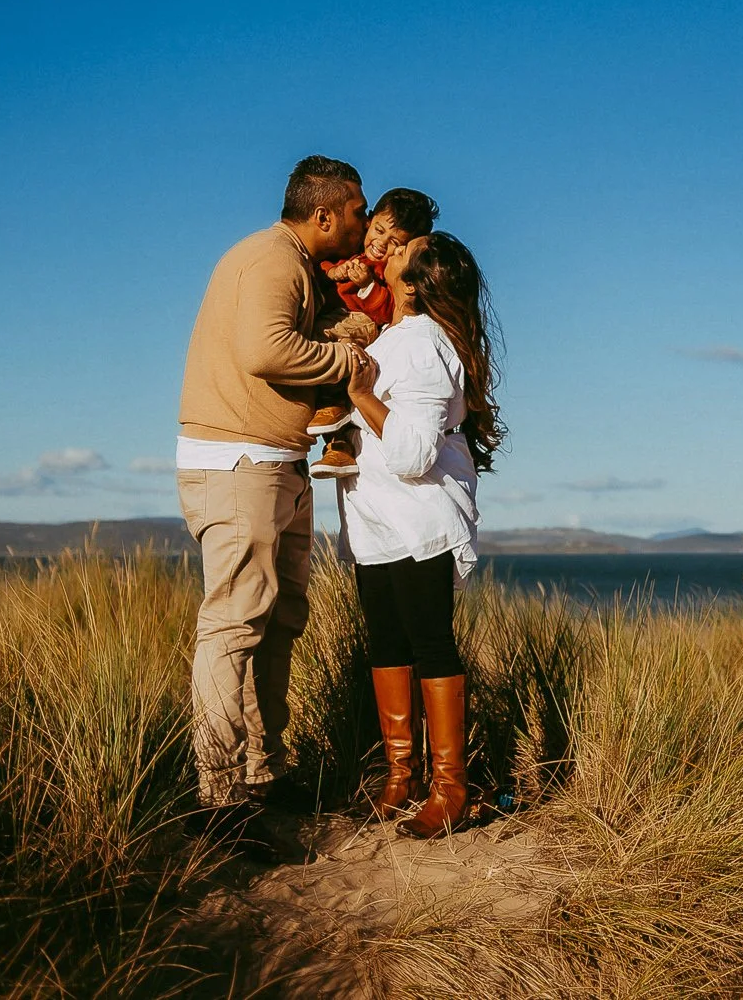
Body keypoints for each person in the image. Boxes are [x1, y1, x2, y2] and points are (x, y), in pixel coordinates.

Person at [175, 155, 368, 835]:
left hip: (276, 461)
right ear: (323, 214)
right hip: (239, 462)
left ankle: (265, 769)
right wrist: (348, 360)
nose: (363, 222)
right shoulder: (271, 260)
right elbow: (265, 349)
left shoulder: (297, 266)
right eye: (356, 210)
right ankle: (219, 796)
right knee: (234, 622)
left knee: (280, 618)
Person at [339, 230, 503, 838]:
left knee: (430, 643)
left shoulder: (426, 347)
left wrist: (358, 392)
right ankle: (400, 776)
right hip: (376, 522)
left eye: (406, 249)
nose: (390, 247)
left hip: (419, 521)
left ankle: (450, 787)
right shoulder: (391, 339)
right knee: (386, 643)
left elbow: (411, 455)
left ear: (415, 283)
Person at [307, 187, 440, 478]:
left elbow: (386, 311)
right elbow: (321, 269)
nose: (381, 244)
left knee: (324, 343)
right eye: (378, 230)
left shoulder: (388, 272)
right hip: (338, 320)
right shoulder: (349, 252)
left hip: (362, 325)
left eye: (395, 243)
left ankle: (332, 407)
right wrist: (333, 274)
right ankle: (337, 447)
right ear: (369, 221)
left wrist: (367, 286)